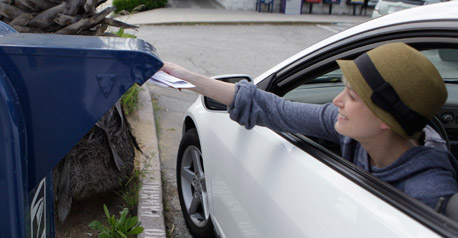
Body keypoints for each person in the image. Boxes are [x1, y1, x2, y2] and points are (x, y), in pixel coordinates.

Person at [162, 42, 458, 210]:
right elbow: (274, 108)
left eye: (352, 96)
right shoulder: (355, 133)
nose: (337, 102)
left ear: (385, 119)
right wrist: (185, 77)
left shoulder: (430, 193)